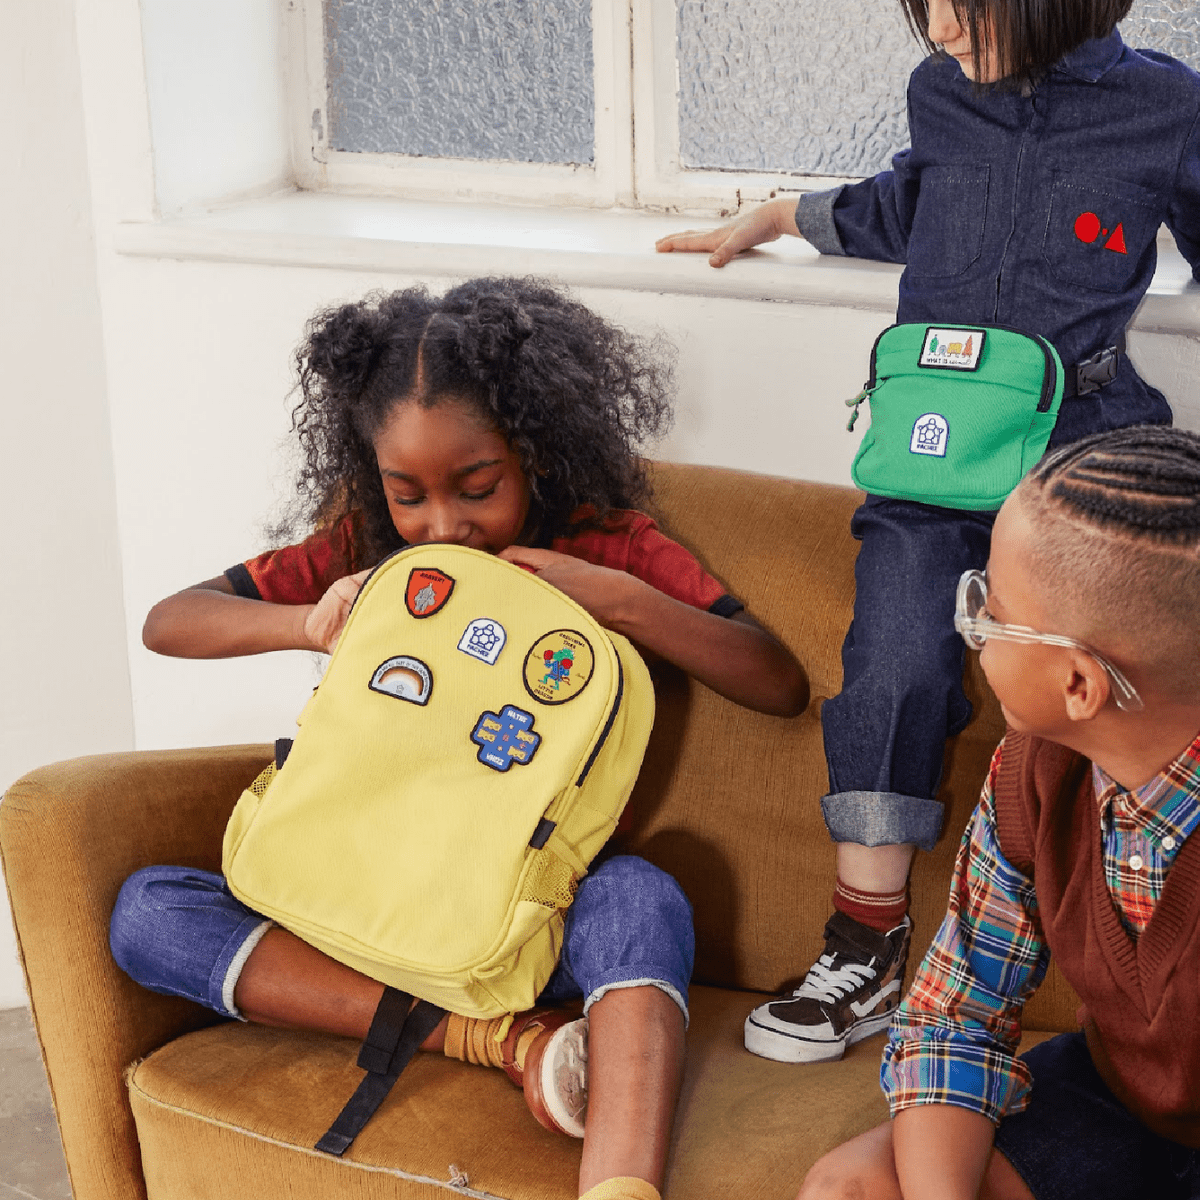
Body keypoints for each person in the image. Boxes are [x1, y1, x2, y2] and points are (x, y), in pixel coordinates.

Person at [109, 276, 808, 1200]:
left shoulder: (608, 546)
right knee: (149, 912)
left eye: (478, 488)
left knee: (643, 900)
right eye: (408, 496)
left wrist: (621, 601)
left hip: (525, 921)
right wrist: (308, 623)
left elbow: (776, 681)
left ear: (533, 453)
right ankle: (496, 1042)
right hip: (362, 892)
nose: (444, 526)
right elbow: (169, 622)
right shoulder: (366, 547)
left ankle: (619, 1187)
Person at [657, 0, 1200, 1064]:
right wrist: (780, 217)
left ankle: (1139, 971)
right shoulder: (941, 94)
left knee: (1104, 683)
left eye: (966, 6)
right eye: (928, 7)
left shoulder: (1165, 108)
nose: (941, 30)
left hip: (1081, 455)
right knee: (896, 663)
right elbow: (908, 201)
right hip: (932, 452)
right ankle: (866, 946)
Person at [796, 424, 1200, 1200]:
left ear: (1079, 685)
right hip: (1119, 1100)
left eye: (992, 609)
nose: (972, 628)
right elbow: (960, 1012)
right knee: (854, 1187)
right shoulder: (1035, 767)